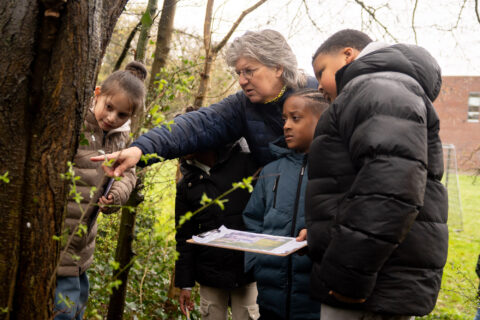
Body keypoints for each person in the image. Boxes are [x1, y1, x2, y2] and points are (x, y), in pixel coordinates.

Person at [305, 29, 448, 319]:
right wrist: (328, 230)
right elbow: (362, 185)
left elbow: (390, 191)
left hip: (366, 290)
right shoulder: (380, 89)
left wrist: (350, 278)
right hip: (375, 282)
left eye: (321, 71)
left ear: (348, 54)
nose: (318, 85)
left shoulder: (376, 87)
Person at [91, 29, 317, 175]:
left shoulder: (319, 95)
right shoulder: (242, 106)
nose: (241, 80)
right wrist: (140, 150)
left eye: (249, 71)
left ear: (278, 67)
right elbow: (195, 126)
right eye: (238, 72)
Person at [54, 62, 146, 319]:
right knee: (62, 308)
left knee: (78, 301)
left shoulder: (121, 138)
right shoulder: (76, 124)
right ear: (97, 94)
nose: (112, 118)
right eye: (109, 107)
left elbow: (127, 174)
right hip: (60, 235)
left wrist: (116, 196)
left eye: (122, 115)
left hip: (84, 241)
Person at [243, 89, 328, 320]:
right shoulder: (271, 172)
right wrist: (256, 264)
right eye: (284, 119)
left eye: (296, 118)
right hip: (270, 302)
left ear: (322, 121)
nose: (286, 126)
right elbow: (253, 219)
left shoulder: (333, 172)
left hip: (315, 305)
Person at [174, 107, 260, 320]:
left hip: (247, 271)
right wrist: (185, 284)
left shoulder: (244, 161)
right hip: (210, 273)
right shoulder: (187, 184)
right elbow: (184, 236)